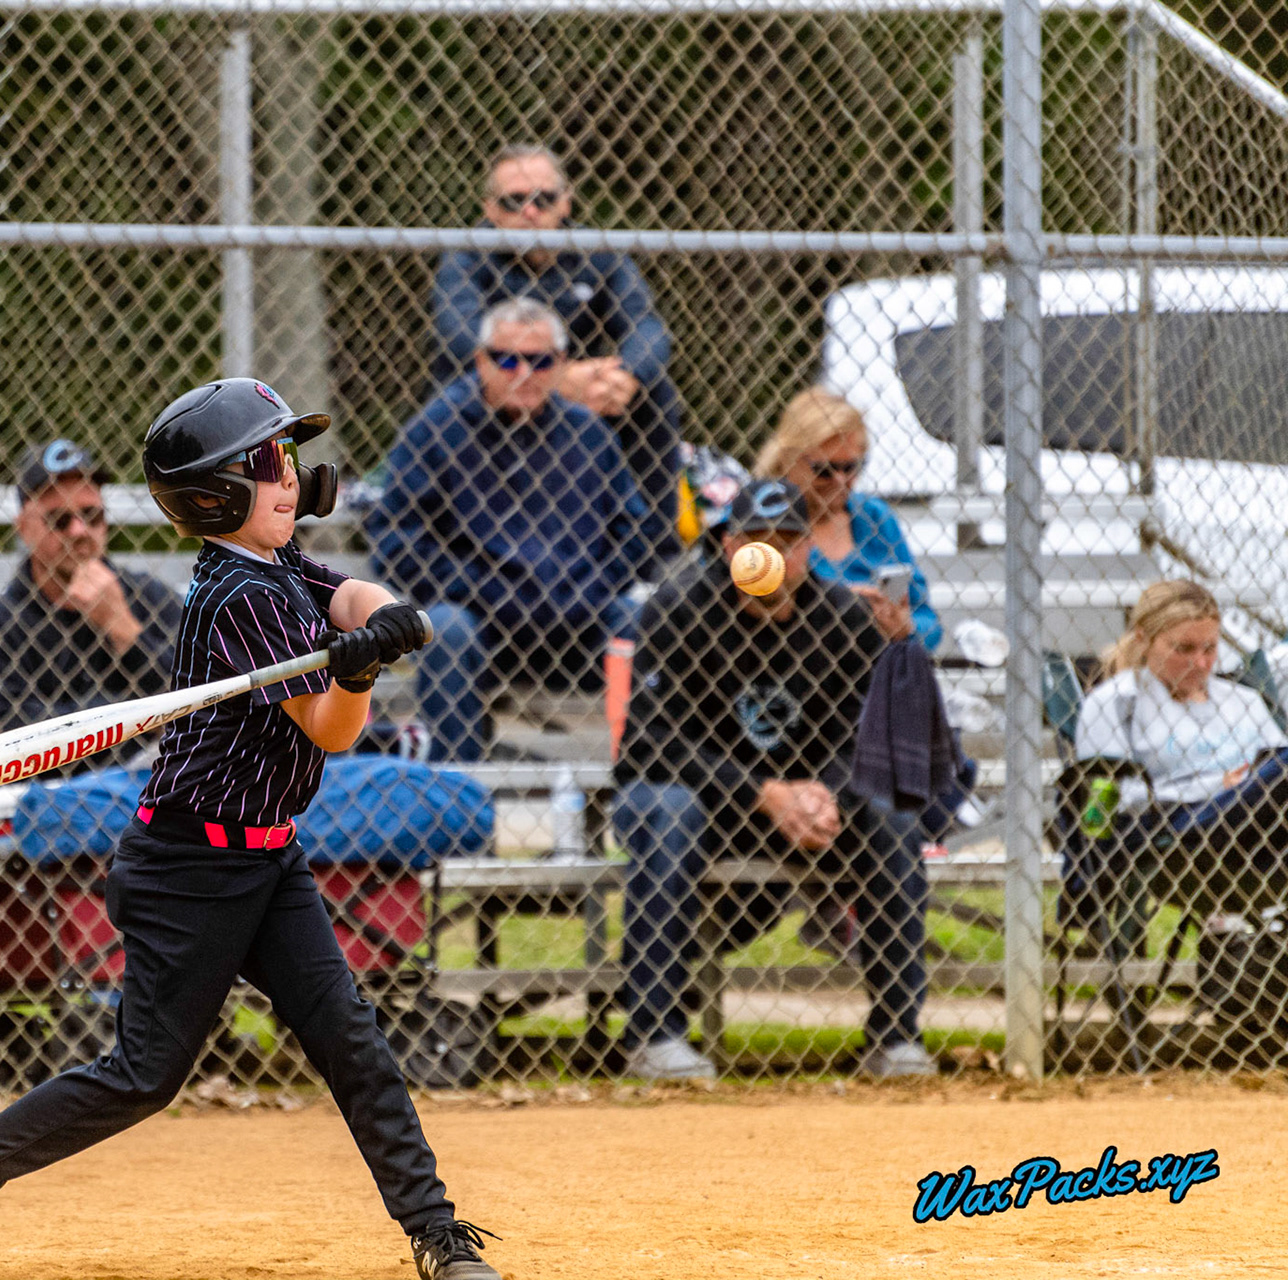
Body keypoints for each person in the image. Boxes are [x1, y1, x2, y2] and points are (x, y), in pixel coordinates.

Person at [0, 378, 500, 1280]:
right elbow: (333, 731)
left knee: (352, 1040)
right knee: (142, 1077)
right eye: (271, 464)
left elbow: (345, 590)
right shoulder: (236, 595)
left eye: (288, 461)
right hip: (187, 868)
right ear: (218, 495)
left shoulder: (277, 566)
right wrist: (354, 678)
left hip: (269, 856)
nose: (293, 478)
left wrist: (377, 619)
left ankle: (435, 1235)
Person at [613, 478, 932, 1082]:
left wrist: (825, 794)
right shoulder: (679, 607)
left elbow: (869, 735)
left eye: (787, 541)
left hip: (809, 803)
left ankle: (896, 1036)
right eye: (756, 540)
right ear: (730, 545)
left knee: (890, 810)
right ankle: (653, 1036)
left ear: (810, 547)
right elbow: (651, 742)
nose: (773, 556)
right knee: (670, 810)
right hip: (697, 796)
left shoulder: (840, 616)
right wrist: (764, 793)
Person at [368, 296, 650, 762]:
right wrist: (472, 588)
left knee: (635, 618)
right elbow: (395, 533)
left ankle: (640, 788)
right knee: (447, 627)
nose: (522, 372)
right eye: (506, 358)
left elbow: (633, 530)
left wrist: (594, 589)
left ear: (561, 365)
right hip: (483, 622)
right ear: (481, 361)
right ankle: (458, 800)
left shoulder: (589, 433)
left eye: (540, 362)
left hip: (578, 619)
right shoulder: (437, 429)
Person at [430, 143, 682, 567]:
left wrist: (625, 376)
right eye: (514, 201)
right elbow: (460, 338)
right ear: (490, 209)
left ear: (565, 202)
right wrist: (551, 379)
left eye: (544, 199)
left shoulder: (596, 251)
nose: (530, 212)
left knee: (657, 396)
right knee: (451, 392)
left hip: (589, 400)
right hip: (499, 393)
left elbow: (646, 325)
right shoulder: (467, 255)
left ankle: (652, 563)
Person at [0, 438, 182, 763]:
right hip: (42, 803)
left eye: (91, 515)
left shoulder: (150, 598)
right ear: (24, 528)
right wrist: (139, 723)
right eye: (59, 520)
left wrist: (124, 630)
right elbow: (5, 743)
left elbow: (198, 704)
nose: (79, 530)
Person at [1075, 580, 1288, 914]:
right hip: (1179, 830)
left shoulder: (1241, 700)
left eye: (1210, 648)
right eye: (1183, 649)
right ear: (1144, 639)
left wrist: (1253, 784)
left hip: (1264, 831)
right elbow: (1110, 798)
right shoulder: (1117, 701)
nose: (1201, 663)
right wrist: (1219, 785)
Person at [755, 387, 942, 652]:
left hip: (870, 673)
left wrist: (905, 628)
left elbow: (928, 622)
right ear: (787, 459)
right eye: (823, 470)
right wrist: (838, 608)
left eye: (850, 467)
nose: (840, 481)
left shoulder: (875, 519)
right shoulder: (756, 517)